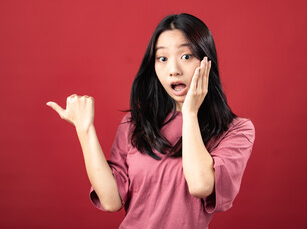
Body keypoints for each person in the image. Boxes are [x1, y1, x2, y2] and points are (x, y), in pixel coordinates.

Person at [47, 13, 255, 229]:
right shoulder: (135, 123)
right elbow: (110, 201)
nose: (174, 70)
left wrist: (190, 112)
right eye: (162, 58)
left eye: (186, 56)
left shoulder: (236, 130)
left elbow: (201, 185)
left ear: (206, 60)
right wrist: (85, 129)